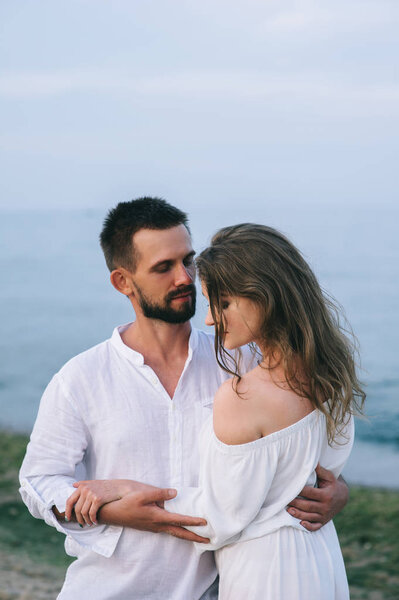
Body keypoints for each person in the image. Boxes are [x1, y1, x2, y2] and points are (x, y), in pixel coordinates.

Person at [19, 199, 350, 600]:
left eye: (188, 261)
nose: (184, 278)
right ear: (123, 282)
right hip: (110, 590)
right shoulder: (81, 378)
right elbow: (38, 481)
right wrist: (106, 509)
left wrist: (336, 491)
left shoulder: (244, 363)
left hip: (215, 590)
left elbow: (294, 449)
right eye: (163, 267)